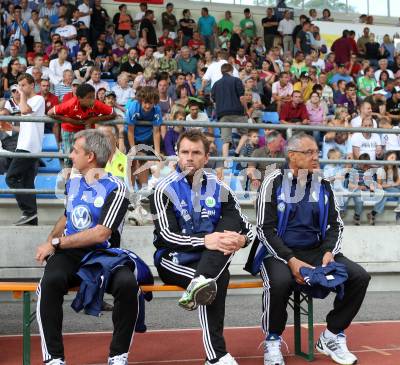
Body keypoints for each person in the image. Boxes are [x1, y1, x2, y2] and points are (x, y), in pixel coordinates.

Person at [246, 132, 370, 365]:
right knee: (280, 282)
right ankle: (273, 340)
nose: (316, 157)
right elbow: (264, 230)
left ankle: (331, 335)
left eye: (317, 153)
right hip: (277, 252)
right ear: (292, 156)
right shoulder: (272, 183)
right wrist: (291, 260)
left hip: (315, 250)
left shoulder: (323, 185)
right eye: (309, 152)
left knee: (359, 277)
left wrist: (328, 252)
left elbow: (336, 225)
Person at [35, 129, 142, 365]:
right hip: (70, 254)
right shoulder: (73, 183)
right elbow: (67, 216)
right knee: (48, 284)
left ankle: (118, 356)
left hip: (103, 255)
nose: (71, 155)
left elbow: (101, 233)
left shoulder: (117, 188)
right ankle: (53, 358)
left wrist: (56, 242)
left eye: (75, 151)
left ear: (90, 156)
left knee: (128, 285)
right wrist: (50, 239)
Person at [149, 129, 255, 365]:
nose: (189, 157)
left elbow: (246, 225)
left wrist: (243, 240)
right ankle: (216, 355)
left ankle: (215, 353)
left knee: (214, 271)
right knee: (216, 279)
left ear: (206, 158)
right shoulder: (162, 189)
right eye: (184, 152)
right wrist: (204, 241)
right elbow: (166, 236)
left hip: (210, 259)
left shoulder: (220, 188)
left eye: (196, 153)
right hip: (174, 259)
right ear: (177, 155)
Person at [5, 74, 45, 226]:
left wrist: (21, 96)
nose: (20, 88)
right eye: (19, 85)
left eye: (23, 85)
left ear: (32, 85)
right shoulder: (29, 101)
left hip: (29, 147)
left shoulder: (38, 99)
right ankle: (32, 219)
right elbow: (27, 125)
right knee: (28, 183)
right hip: (26, 145)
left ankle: (28, 211)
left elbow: (25, 110)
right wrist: (11, 127)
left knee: (11, 178)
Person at [48, 83, 116, 167]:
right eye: (89, 97)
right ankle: (68, 177)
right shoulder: (70, 104)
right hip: (69, 129)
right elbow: (50, 112)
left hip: (86, 131)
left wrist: (93, 119)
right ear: (79, 98)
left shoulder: (96, 103)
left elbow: (113, 114)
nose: (92, 100)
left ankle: (87, 177)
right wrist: (70, 120)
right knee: (69, 158)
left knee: (87, 156)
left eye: (93, 96)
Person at [211, 63, 247, 160]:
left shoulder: (216, 84)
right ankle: (237, 151)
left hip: (222, 114)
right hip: (237, 113)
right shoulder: (237, 80)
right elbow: (242, 98)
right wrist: (246, 110)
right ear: (231, 70)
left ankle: (225, 164)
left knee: (226, 140)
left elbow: (213, 101)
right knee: (246, 134)